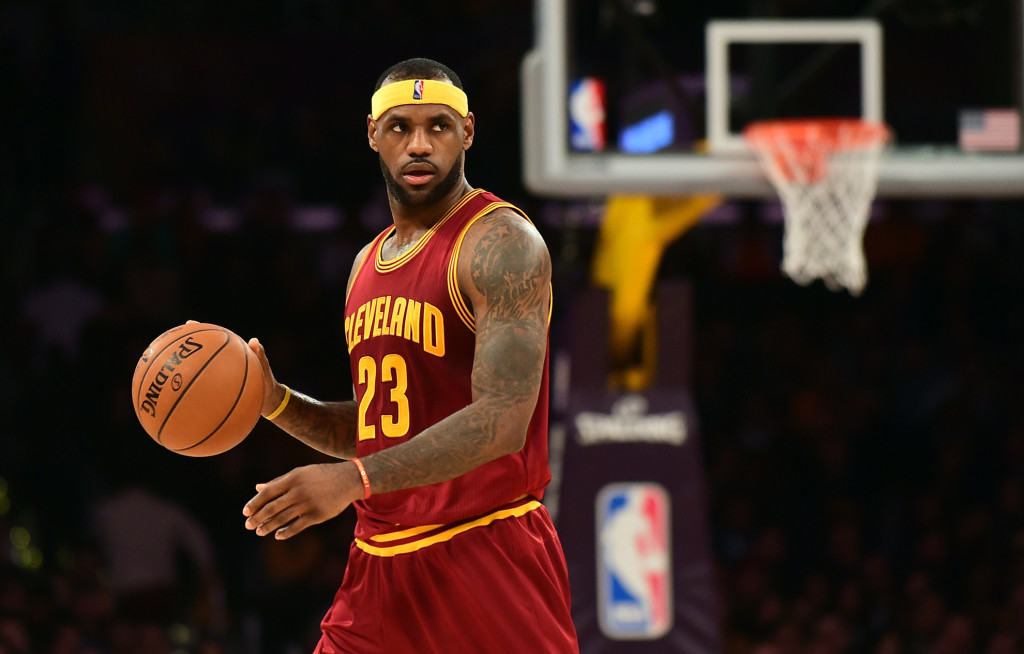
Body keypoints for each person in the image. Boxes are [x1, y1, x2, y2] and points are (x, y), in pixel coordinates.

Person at [241, 57, 579, 653]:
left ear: (467, 132)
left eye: (438, 127)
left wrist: (355, 479)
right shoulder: (364, 264)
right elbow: (385, 428)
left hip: (487, 554)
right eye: (400, 127)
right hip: (379, 565)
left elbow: (502, 419)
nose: (419, 144)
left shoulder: (501, 243)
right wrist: (277, 403)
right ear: (373, 135)